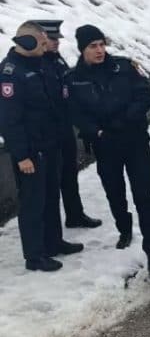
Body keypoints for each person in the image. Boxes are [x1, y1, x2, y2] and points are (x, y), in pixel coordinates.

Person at [65, 24, 150, 280]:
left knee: (143, 197)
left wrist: (126, 119)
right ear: (82, 49)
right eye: (93, 46)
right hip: (105, 145)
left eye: (101, 44)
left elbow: (145, 96)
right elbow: (75, 113)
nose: (99, 50)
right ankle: (124, 228)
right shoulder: (73, 79)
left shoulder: (124, 67)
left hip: (134, 141)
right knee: (115, 193)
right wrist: (96, 132)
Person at [0, 22, 84, 271]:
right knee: (33, 203)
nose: (47, 45)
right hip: (30, 151)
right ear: (28, 42)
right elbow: (9, 120)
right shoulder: (11, 73)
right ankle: (34, 256)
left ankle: (53, 242)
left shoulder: (40, 65)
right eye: (43, 41)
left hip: (50, 145)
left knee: (50, 196)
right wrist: (22, 155)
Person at [35, 20, 102, 229]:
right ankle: (50, 230)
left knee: (69, 174)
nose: (56, 42)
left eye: (57, 39)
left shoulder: (56, 59)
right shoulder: (37, 63)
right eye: (52, 39)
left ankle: (75, 214)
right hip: (48, 131)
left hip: (64, 127)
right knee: (51, 182)